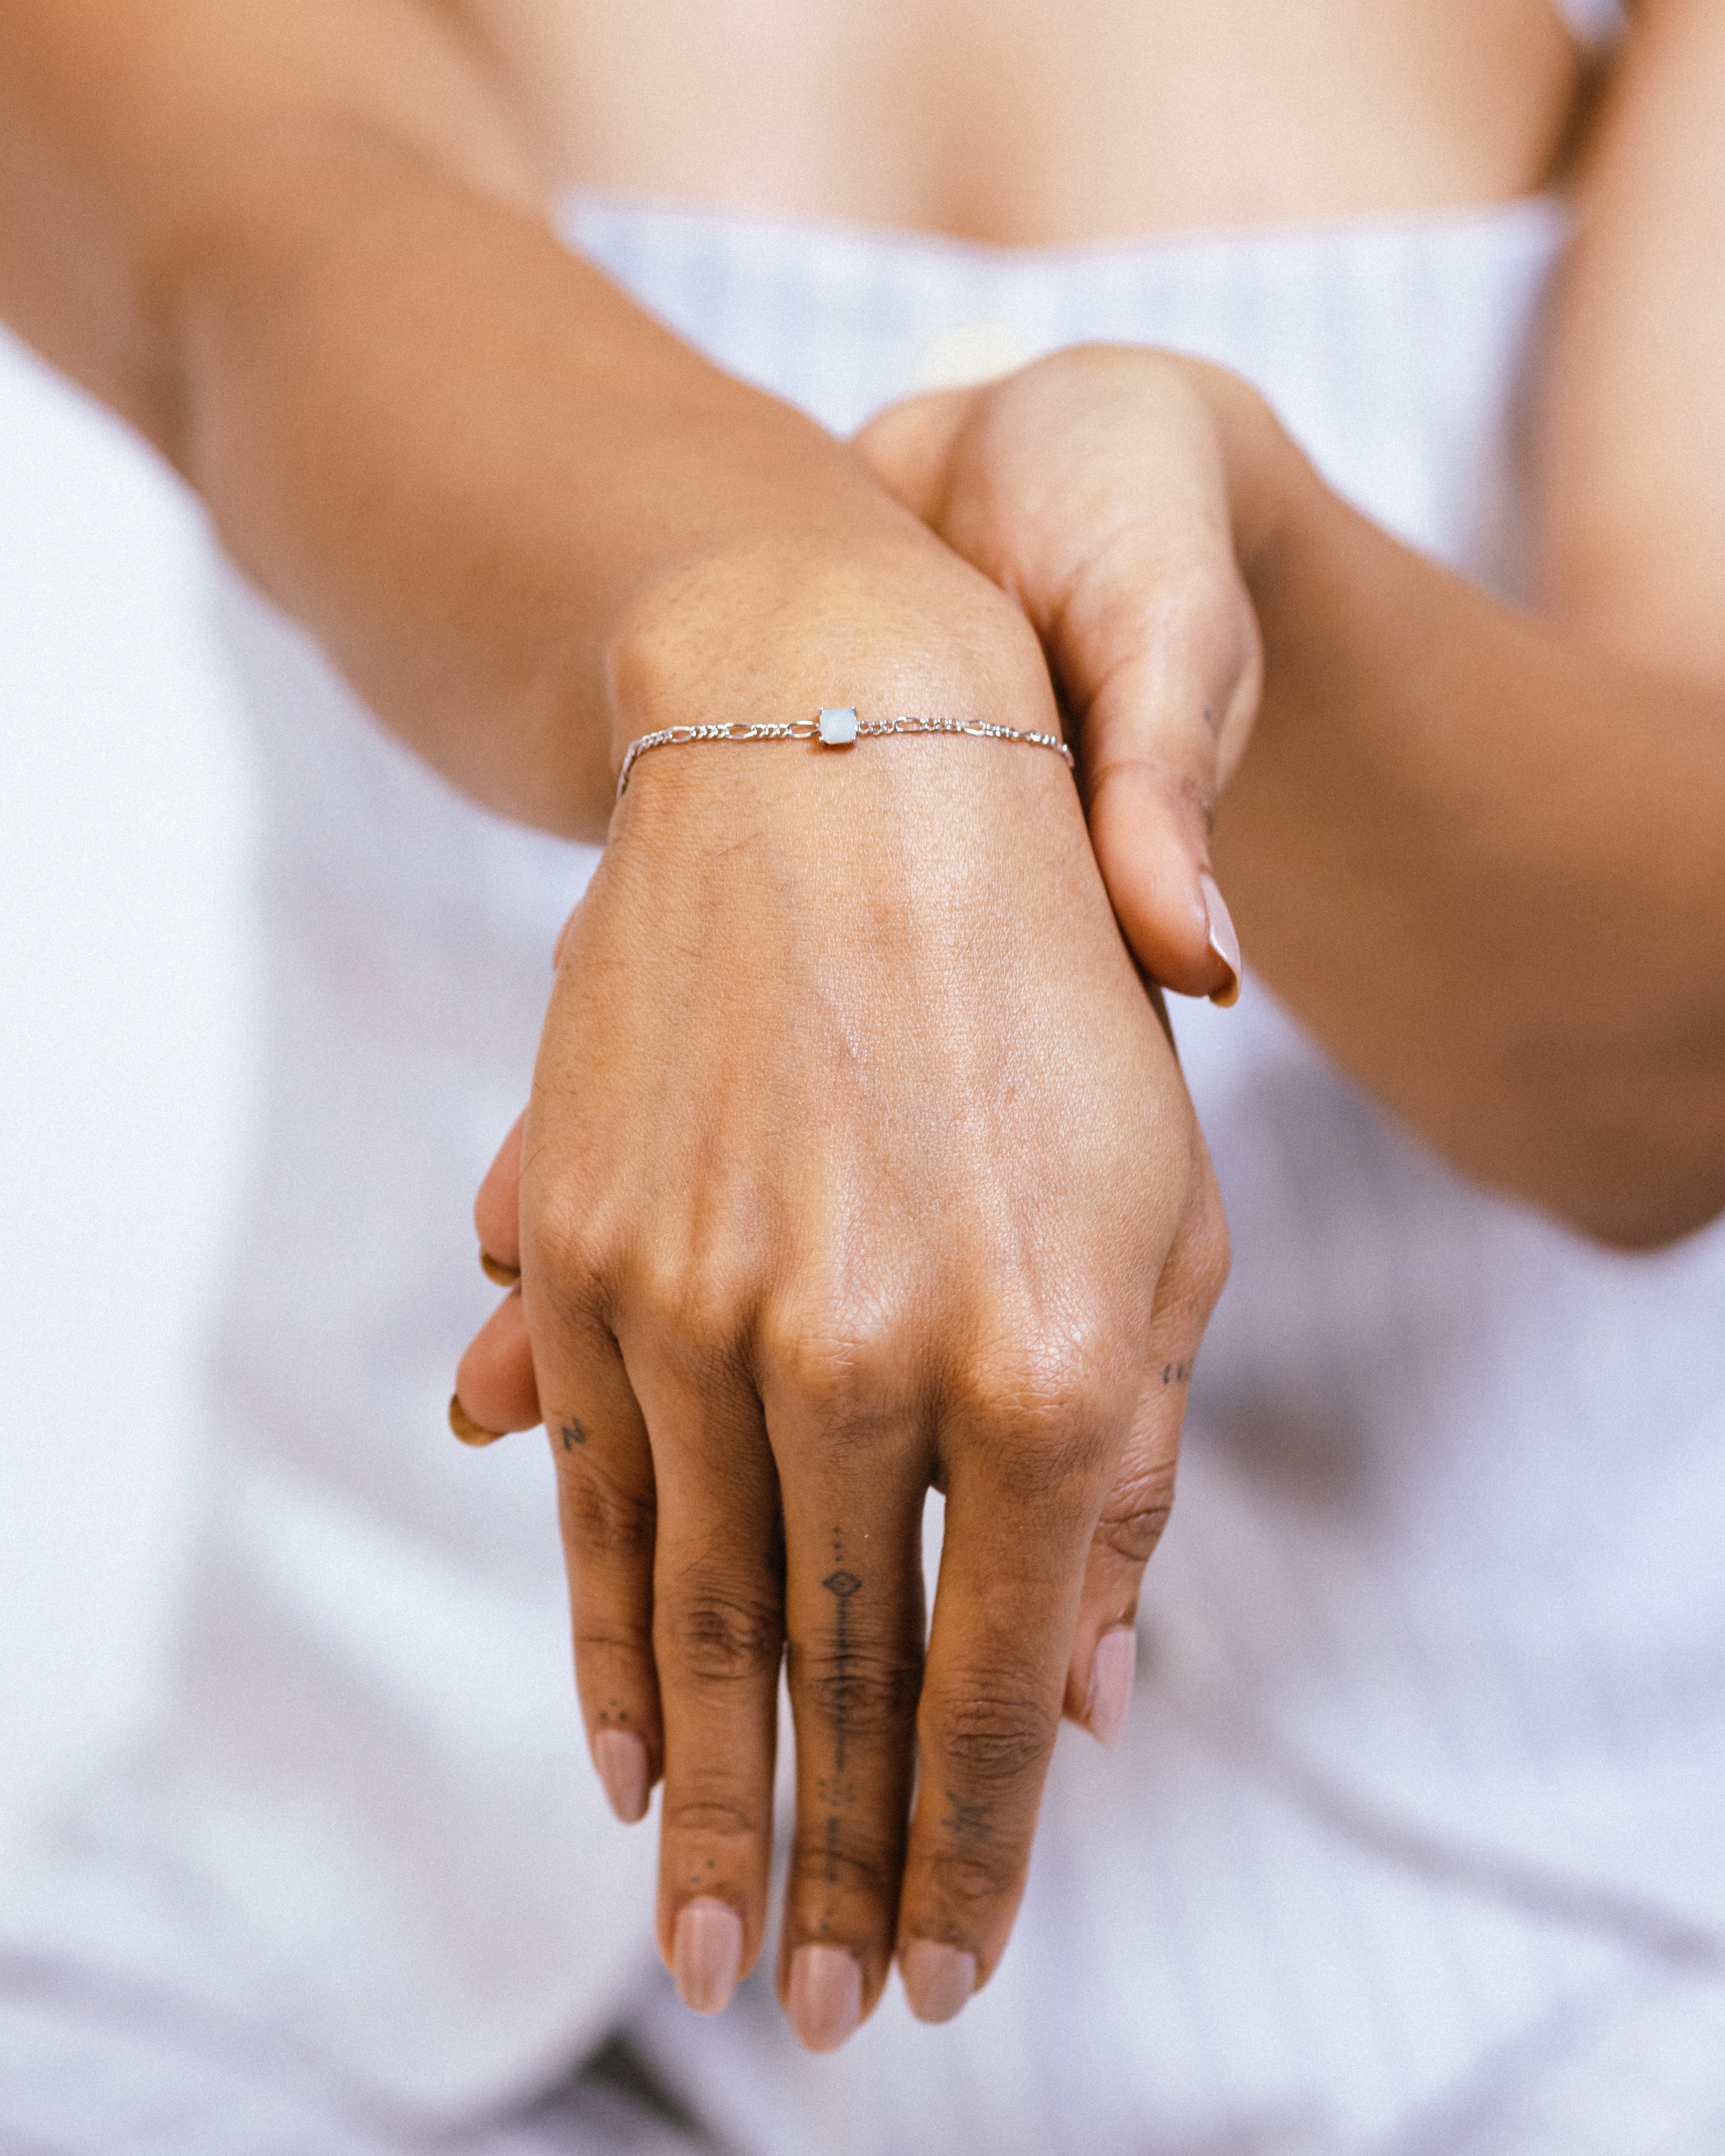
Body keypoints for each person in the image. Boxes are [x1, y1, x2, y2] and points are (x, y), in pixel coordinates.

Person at [1, 0, 1723, 2149]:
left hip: (1576, 1972)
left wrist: (1223, 551)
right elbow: (271, 263)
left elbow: (1670, 1057)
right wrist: (826, 650)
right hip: (381, 1959)